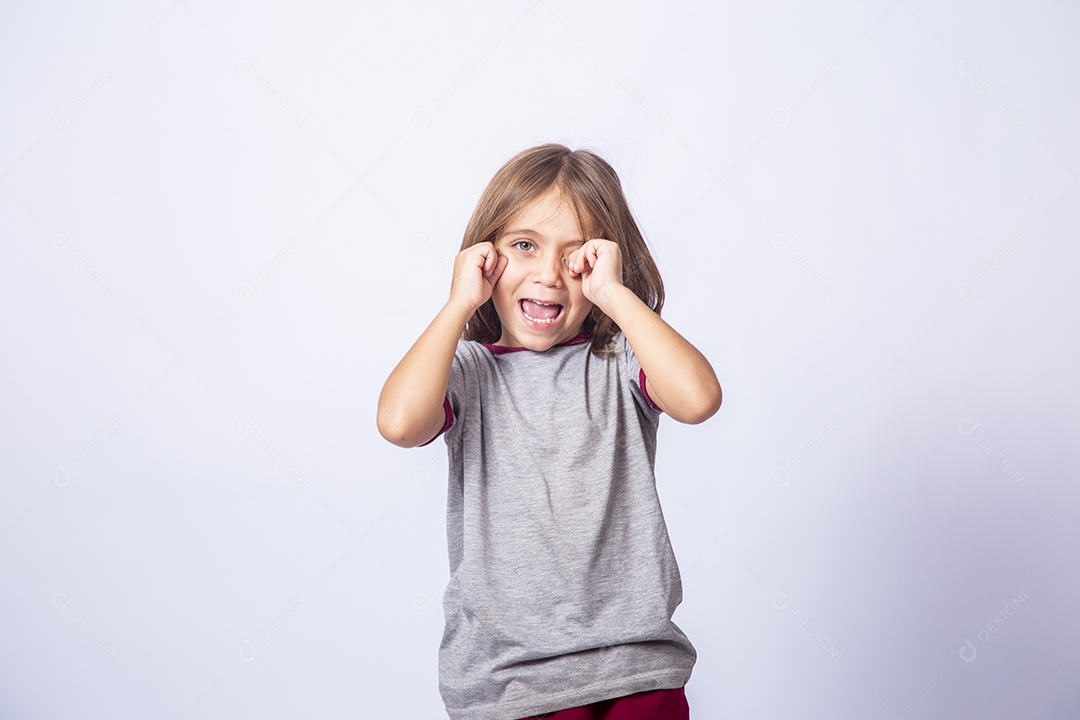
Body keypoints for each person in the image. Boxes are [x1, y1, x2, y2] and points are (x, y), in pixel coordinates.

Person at [377, 143, 722, 720]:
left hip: (636, 671)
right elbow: (399, 423)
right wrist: (459, 303)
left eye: (576, 255)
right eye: (524, 246)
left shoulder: (619, 362)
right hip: (510, 684)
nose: (548, 275)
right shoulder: (468, 369)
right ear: (485, 257)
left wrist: (613, 293)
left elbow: (699, 399)